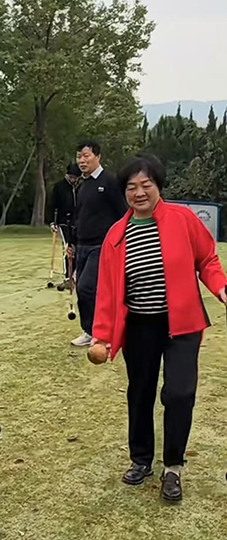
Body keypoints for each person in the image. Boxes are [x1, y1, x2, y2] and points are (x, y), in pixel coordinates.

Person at [92, 156, 227, 502]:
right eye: (131, 187)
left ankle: (173, 466)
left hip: (182, 323)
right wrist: (102, 336)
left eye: (146, 185)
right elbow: (108, 291)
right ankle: (141, 459)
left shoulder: (182, 220)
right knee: (140, 393)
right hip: (140, 326)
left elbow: (207, 259)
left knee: (179, 393)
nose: (139, 193)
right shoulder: (116, 235)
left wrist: (220, 287)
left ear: (158, 186)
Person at [71, 141, 126, 347]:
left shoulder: (109, 183)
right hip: (82, 245)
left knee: (87, 287)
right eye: (79, 157)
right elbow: (79, 217)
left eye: (86, 156)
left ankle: (103, 332)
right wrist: (72, 244)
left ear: (98, 157)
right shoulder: (81, 185)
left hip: (102, 245)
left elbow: (122, 214)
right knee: (81, 290)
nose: (82, 161)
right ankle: (89, 331)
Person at [50, 163, 81, 290]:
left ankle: (76, 276)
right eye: (71, 177)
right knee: (68, 249)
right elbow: (52, 205)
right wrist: (53, 222)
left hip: (78, 222)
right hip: (63, 222)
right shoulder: (59, 187)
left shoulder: (80, 186)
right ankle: (68, 277)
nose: (73, 180)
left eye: (76, 178)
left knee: (79, 249)